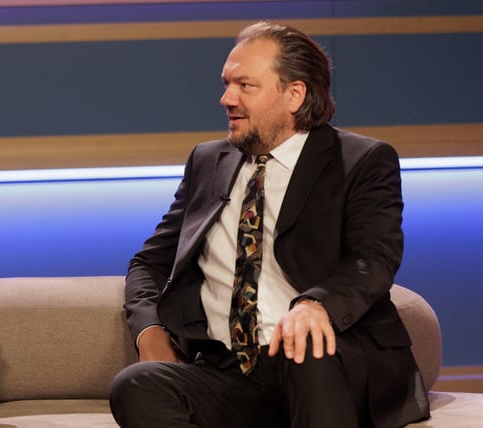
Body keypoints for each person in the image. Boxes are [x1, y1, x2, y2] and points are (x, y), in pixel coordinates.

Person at [110, 21, 430, 427]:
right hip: (229, 370)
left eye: (246, 86)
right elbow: (149, 264)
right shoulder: (208, 162)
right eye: (227, 83)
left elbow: (374, 259)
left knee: (307, 349)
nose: (227, 98)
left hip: (324, 361)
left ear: (294, 94)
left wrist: (317, 305)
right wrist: (150, 331)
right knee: (137, 385)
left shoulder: (361, 161)